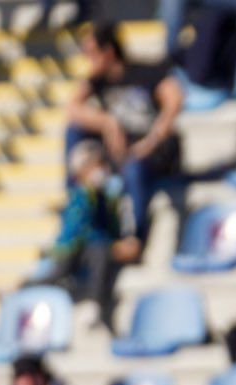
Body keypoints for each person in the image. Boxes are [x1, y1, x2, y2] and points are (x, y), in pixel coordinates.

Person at [65, 22, 183, 247]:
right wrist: (108, 123)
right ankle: (74, 200)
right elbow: (72, 108)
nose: (87, 59)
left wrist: (150, 141)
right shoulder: (97, 81)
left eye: (91, 52)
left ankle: (134, 236)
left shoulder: (145, 71)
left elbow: (174, 100)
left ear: (108, 52)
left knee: (133, 167)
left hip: (154, 151)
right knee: (75, 131)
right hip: (122, 151)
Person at [41, 140, 139, 332]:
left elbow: (123, 226)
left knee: (99, 250)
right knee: (64, 264)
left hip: (97, 249)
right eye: (94, 165)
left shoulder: (113, 195)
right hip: (75, 252)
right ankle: (23, 289)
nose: (100, 170)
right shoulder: (79, 197)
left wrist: (125, 242)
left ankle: (94, 303)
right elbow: (76, 232)